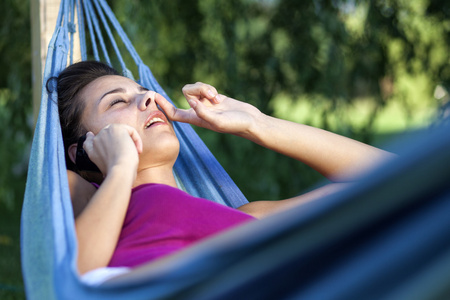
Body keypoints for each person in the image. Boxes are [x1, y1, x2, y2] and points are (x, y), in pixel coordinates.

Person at [57, 61, 393, 276]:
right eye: (117, 102)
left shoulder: (249, 218)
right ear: (81, 152)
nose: (149, 100)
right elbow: (70, 283)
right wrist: (120, 167)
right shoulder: (82, 193)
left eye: (145, 92)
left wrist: (257, 124)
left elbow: (394, 184)